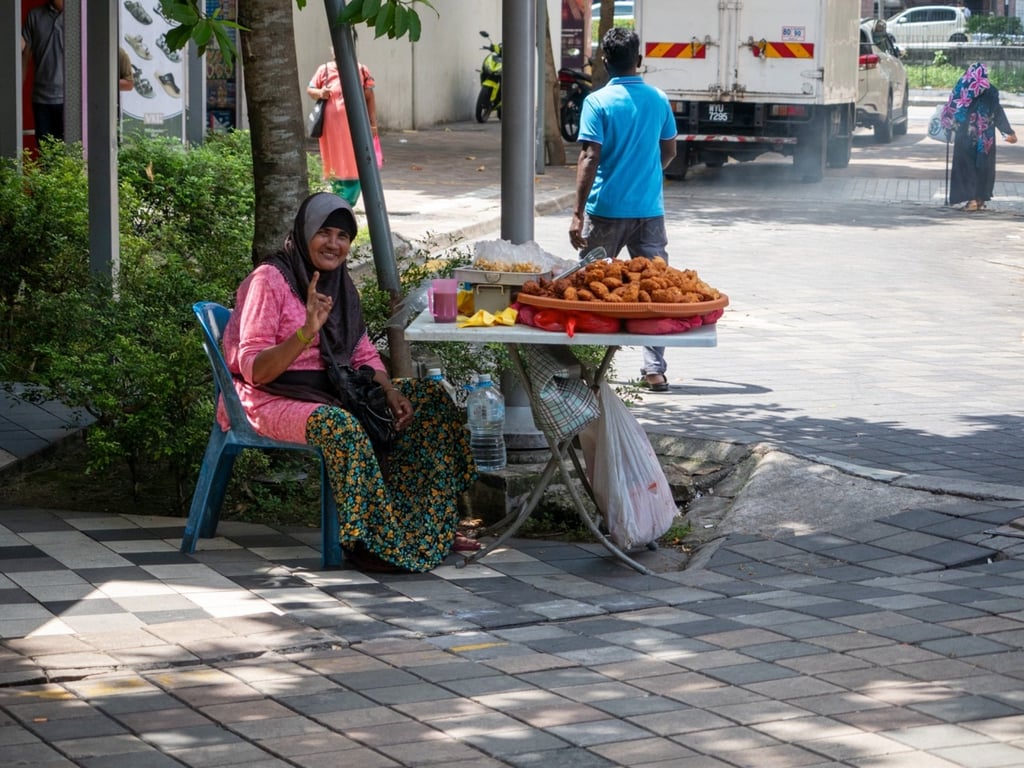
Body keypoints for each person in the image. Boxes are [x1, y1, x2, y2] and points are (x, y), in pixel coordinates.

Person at [221, 192, 478, 573]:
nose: (334, 244)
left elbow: (361, 354)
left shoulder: (338, 284)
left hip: (332, 388)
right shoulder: (269, 280)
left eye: (343, 236)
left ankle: (427, 526)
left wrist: (390, 391)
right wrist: (307, 331)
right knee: (341, 426)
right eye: (324, 232)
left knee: (428, 399)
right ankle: (373, 543)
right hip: (268, 397)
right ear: (304, 232)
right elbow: (256, 369)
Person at [568, 27, 678, 392]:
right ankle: (655, 370)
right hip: (650, 212)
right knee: (655, 286)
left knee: (591, 286)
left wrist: (577, 213)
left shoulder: (597, 102)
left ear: (604, 62)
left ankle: (586, 367)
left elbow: (589, 156)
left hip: (606, 212)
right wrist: (646, 177)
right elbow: (669, 151)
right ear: (640, 60)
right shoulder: (659, 99)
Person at [940, 62, 1017, 212]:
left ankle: (973, 200)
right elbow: (997, 112)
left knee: (966, 168)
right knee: (984, 168)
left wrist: (949, 127)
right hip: (986, 138)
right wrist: (1007, 131)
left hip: (967, 136)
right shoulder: (992, 90)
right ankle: (980, 199)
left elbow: (953, 109)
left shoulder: (964, 87)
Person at [307, 54, 378, 207]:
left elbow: (370, 97)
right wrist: (320, 93)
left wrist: (373, 124)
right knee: (334, 161)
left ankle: (348, 201)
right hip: (331, 128)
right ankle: (339, 199)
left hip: (355, 127)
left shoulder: (361, 70)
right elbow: (310, 89)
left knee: (355, 160)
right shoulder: (324, 70)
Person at [21, 0, 65, 145]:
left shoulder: (79, 17)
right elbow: (25, 57)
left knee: (71, 154)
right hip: (41, 99)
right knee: (46, 154)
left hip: (71, 99)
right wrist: (17, 92)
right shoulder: (35, 15)